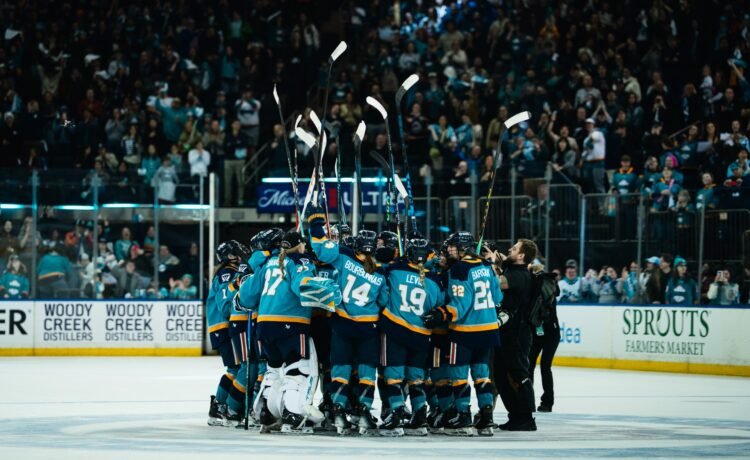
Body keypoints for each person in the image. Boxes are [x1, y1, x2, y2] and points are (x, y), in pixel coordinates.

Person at [240, 230, 333, 433]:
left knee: (273, 370)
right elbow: (302, 286)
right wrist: (324, 291)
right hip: (292, 323)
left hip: (264, 326)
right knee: (297, 370)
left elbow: (246, 297)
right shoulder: (300, 261)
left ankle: (266, 413)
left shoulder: (268, 263)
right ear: (299, 246)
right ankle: (292, 413)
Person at [423, 231, 502, 436]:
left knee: (458, 376)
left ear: (463, 248)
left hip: (465, 332)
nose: (449, 250)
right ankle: (486, 418)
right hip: (488, 330)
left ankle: (463, 417)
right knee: (482, 376)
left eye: (453, 246)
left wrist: (441, 313)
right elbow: (497, 297)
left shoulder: (459, 268)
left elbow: (460, 306)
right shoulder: (486, 265)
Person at [311, 228, 388, 435]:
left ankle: (337, 410)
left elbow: (323, 253)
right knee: (366, 373)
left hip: (342, 324)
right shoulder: (380, 271)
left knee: (340, 371)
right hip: (368, 328)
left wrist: (317, 228)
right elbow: (384, 300)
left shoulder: (345, 258)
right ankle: (364, 411)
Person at [378, 236, 443, 436]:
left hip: (395, 331)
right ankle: (420, 416)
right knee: (416, 378)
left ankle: (396, 414)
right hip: (421, 335)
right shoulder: (434, 279)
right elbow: (439, 304)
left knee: (393, 376)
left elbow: (382, 291)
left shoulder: (394, 270)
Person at [205, 240, 251, 427]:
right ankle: (229, 408)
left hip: (221, 327)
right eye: (238, 251)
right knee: (239, 369)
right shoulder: (227, 273)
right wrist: (239, 282)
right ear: (231, 256)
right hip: (224, 326)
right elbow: (225, 302)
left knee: (233, 369)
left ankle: (218, 408)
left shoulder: (226, 271)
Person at [494, 239, 537, 431]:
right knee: (501, 375)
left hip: (518, 334)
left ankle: (526, 417)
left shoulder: (520, 275)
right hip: (507, 332)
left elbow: (497, 284)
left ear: (521, 255)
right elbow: (505, 263)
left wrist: (491, 266)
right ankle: (516, 415)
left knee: (518, 374)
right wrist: (497, 260)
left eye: (514, 248)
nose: (510, 249)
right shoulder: (514, 270)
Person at [528, 262, 560, 413]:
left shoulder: (546, 286)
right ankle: (542, 402)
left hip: (549, 333)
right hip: (542, 332)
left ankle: (543, 402)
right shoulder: (544, 286)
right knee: (536, 366)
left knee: (542, 366)